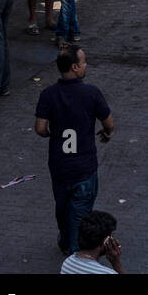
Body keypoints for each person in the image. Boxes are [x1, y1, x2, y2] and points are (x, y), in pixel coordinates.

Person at [34, 45, 114, 256]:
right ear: (75, 67)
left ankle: (65, 237)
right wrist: (106, 132)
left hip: (60, 167)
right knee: (80, 212)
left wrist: (52, 133)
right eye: (84, 62)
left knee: (62, 207)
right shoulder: (91, 93)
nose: (86, 65)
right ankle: (75, 253)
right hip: (84, 168)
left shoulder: (48, 94)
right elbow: (109, 123)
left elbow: (40, 128)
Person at [61, 210, 126, 275]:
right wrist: (117, 263)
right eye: (111, 236)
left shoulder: (67, 263)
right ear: (105, 242)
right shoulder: (107, 272)